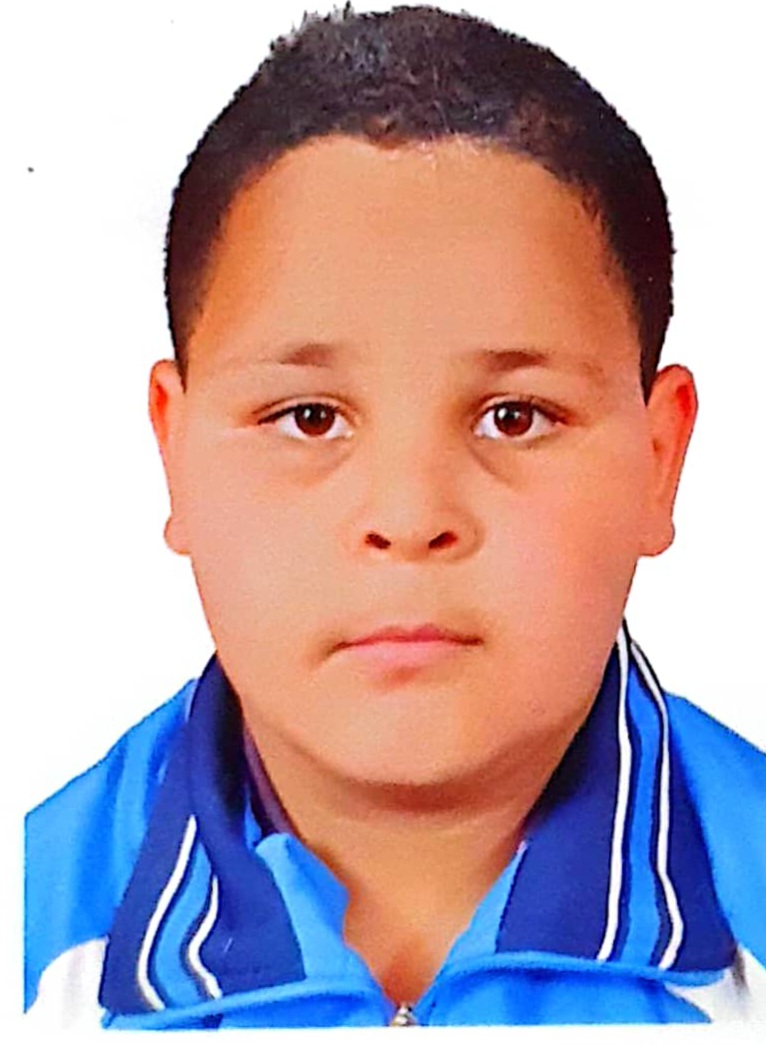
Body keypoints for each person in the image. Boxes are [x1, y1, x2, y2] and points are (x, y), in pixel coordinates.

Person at [23, 3, 766, 1029]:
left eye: (514, 416)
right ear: (173, 450)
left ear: (659, 457)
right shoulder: (33, 937)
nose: (409, 518)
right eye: (309, 417)